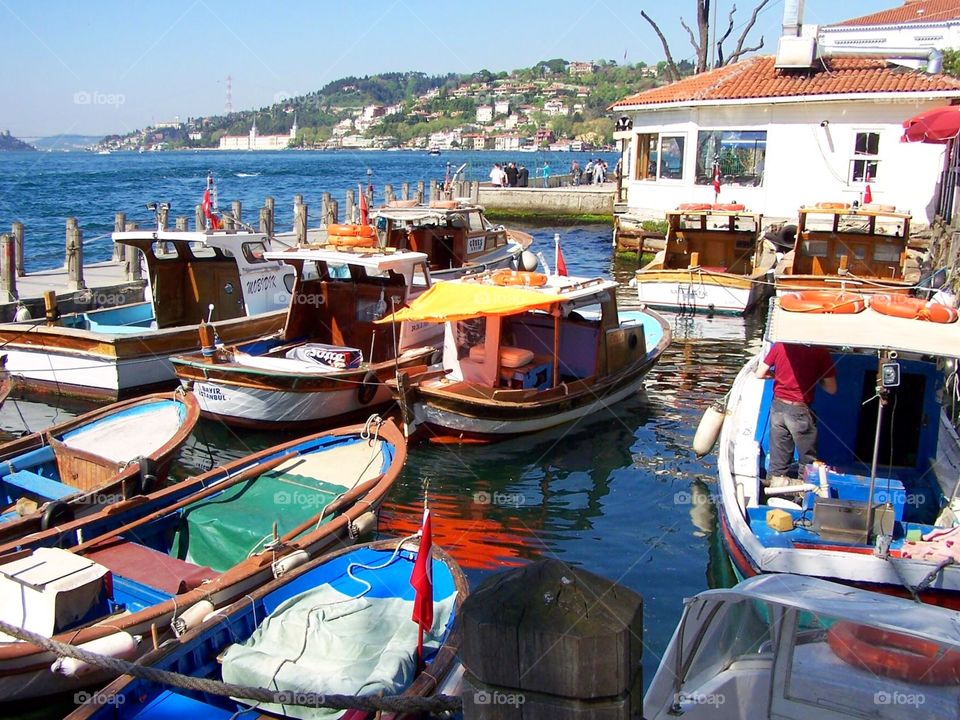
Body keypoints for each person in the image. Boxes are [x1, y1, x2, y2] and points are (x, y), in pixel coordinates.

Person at [755, 343, 837, 486]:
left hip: (778, 407)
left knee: (778, 461)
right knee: (808, 462)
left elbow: (760, 373)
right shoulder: (821, 352)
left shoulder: (780, 346)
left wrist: (777, 375)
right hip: (799, 411)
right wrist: (816, 380)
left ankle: (772, 492)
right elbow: (832, 389)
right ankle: (802, 495)